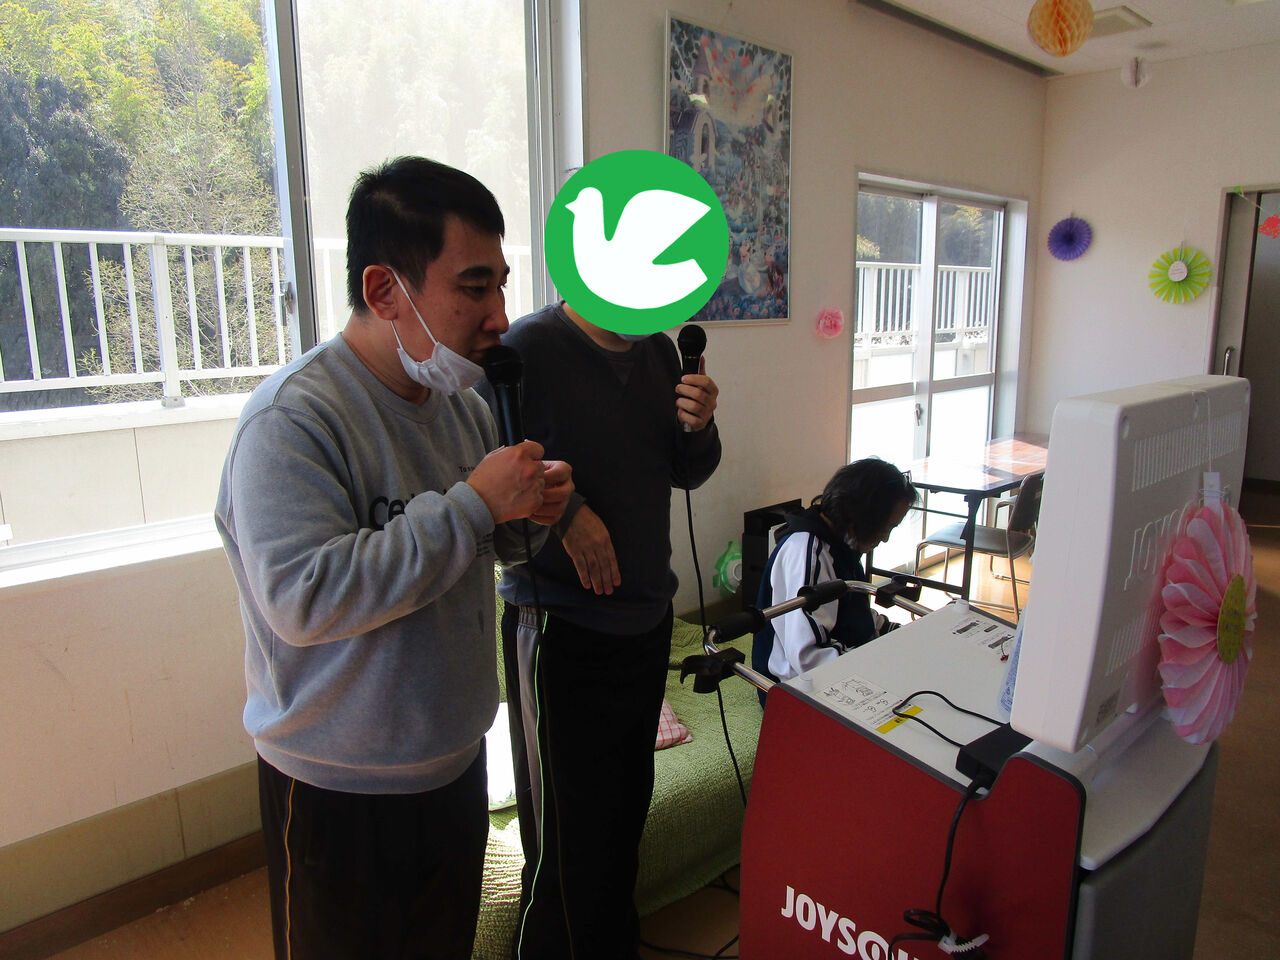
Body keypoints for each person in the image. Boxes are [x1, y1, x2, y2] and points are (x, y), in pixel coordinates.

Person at [214, 156, 573, 960]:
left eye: (501, 285)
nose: (500, 316)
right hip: (336, 788)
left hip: (452, 766)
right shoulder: (291, 421)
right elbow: (305, 598)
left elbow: (481, 551)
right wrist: (475, 504)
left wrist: (529, 518)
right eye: (474, 288)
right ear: (384, 291)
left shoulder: (463, 404)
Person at [477, 301, 721, 960]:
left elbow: (687, 470)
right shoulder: (525, 351)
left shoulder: (660, 352)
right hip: (558, 626)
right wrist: (567, 513)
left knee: (623, 819)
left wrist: (700, 426)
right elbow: (487, 471)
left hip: (647, 620)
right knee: (565, 844)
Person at [751, 458, 918, 701]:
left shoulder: (839, 544)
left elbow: (850, 611)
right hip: (795, 689)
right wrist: (875, 664)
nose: (885, 538)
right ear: (863, 514)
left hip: (836, 665)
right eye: (887, 527)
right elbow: (807, 657)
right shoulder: (808, 551)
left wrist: (894, 634)